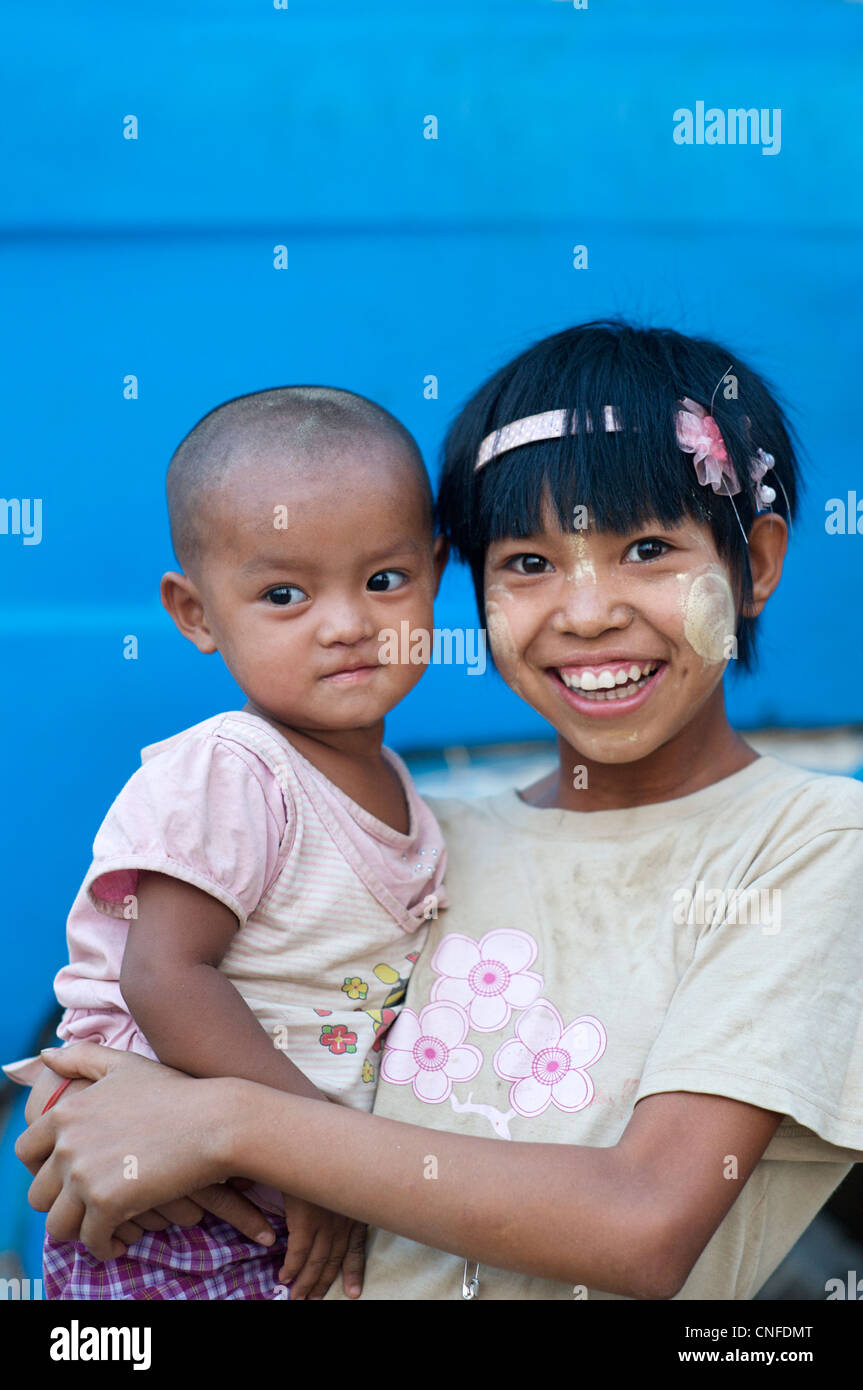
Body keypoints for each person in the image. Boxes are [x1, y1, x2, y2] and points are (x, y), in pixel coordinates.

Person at [17, 320, 863, 1300]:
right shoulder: (432, 840)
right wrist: (96, 1107)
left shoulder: (806, 849)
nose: (584, 613)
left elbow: (641, 1225)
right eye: (529, 564)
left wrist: (232, 1126)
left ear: (754, 565)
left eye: (645, 548)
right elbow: (151, 1029)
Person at [5, 385, 450, 1300]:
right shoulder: (234, 769)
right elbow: (164, 977)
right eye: (283, 593)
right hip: (177, 1207)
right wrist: (317, 1158)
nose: (345, 623)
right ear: (196, 613)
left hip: (283, 1178)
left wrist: (328, 1164)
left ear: (436, 573)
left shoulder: (402, 789)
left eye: (383, 580)